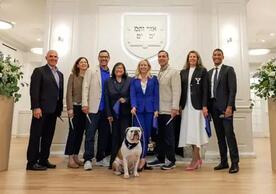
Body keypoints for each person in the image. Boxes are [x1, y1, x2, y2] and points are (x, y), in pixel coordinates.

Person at [26, 50, 64, 171]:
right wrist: (35, 107)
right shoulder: (39, 71)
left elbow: (59, 93)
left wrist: (59, 109)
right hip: (40, 110)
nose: (53, 58)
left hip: (53, 111)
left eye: (55, 57)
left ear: (58, 58)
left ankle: (43, 160)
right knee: (36, 136)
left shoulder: (60, 74)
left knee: (48, 136)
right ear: (46, 58)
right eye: (51, 56)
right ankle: (31, 163)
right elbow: (34, 90)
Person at [148, 50, 181, 170]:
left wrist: (175, 108)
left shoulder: (174, 72)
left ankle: (171, 160)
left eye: (164, 56)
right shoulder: (160, 73)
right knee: (160, 136)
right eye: (159, 57)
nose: (161, 58)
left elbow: (177, 91)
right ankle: (160, 158)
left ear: (168, 58)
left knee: (169, 137)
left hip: (169, 110)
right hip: (159, 111)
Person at [208, 48, 239, 174]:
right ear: (212, 57)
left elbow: (233, 90)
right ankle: (224, 162)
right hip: (213, 108)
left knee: (229, 135)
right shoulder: (209, 73)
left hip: (226, 108)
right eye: (214, 55)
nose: (216, 56)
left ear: (223, 56)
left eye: (219, 55)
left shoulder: (228, 69)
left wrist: (230, 106)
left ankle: (235, 163)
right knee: (220, 137)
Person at [178, 50, 209, 170]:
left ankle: (195, 160)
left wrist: (205, 106)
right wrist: (180, 105)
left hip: (198, 107)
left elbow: (206, 89)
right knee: (189, 133)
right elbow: (181, 90)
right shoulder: (183, 72)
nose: (192, 58)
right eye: (190, 57)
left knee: (196, 133)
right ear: (188, 59)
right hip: (186, 106)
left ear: (198, 58)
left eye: (194, 57)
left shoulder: (202, 71)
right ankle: (198, 158)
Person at [82, 50, 111, 170]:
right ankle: (88, 159)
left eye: (106, 57)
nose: (104, 58)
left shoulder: (111, 73)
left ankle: (100, 158)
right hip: (93, 109)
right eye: (101, 57)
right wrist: (85, 104)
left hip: (106, 110)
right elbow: (85, 87)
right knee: (90, 135)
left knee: (104, 136)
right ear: (98, 58)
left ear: (109, 58)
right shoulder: (91, 71)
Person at [130, 59, 159, 170]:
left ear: (148, 66)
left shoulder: (153, 79)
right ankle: (139, 159)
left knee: (147, 134)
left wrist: (156, 109)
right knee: (139, 134)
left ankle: (143, 159)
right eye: (141, 65)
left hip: (150, 110)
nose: (143, 67)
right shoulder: (134, 80)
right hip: (138, 110)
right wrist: (133, 106)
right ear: (139, 67)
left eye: (145, 65)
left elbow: (156, 95)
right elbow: (132, 94)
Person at [104, 62, 132, 168]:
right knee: (114, 138)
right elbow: (106, 98)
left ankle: (125, 163)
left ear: (124, 70)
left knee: (123, 138)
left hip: (126, 114)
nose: (119, 69)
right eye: (117, 68)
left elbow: (133, 95)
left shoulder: (130, 80)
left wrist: (126, 100)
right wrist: (109, 114)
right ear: (114, 70)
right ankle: (113, 162)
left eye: (121, 68)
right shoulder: (108, 81)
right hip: (114, 115)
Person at [65, 57, 89, 168]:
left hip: (84, 109)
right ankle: (70, 158)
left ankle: (75, 156)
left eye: (85, 62)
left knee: (80, 133)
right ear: (77, 65)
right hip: (74, 108)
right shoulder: (73, 76)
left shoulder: (89, 77)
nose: (83, 64)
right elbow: (68, 93)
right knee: (73, 133)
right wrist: (69, 108)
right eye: (81, 62)